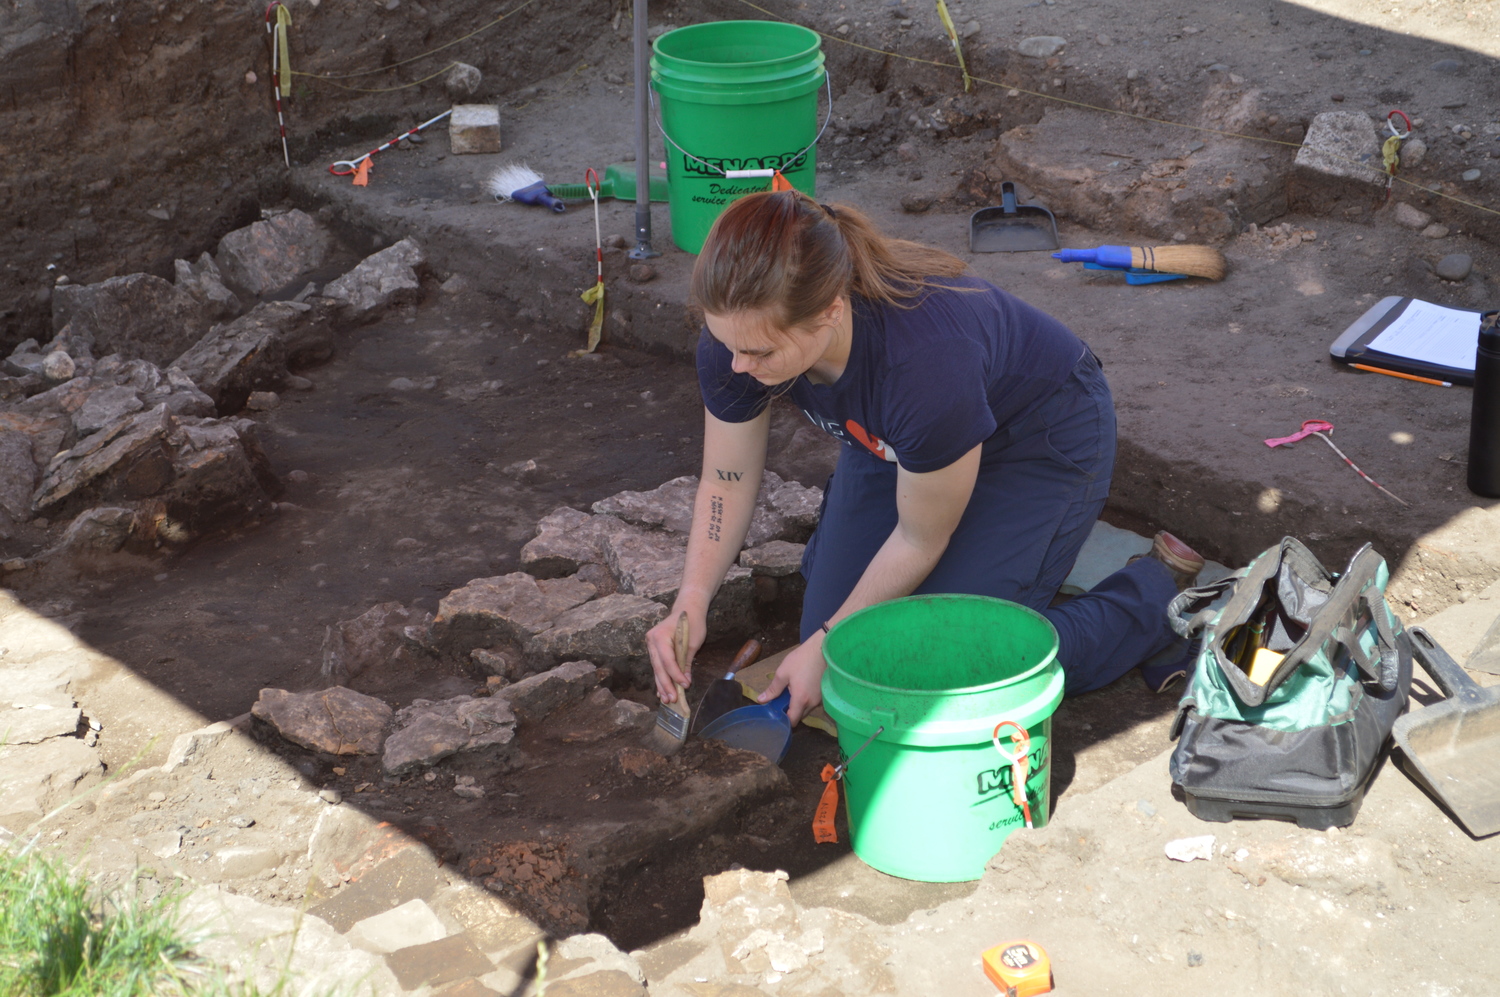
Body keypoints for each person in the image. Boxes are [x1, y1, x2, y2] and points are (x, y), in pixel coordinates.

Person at [644, 190, 1203, 725]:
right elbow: (727, 480)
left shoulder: (923, 364)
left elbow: (919, 539)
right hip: (900, 445)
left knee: (942, 664)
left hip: (1036, 436)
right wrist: (691, 602)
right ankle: (1008, 571)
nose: (738, 367)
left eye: (759, 352)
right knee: (843, 648)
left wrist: (830, 643)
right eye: (727, 344)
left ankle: (1155, 600)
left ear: (830, 312)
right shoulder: (740, 335)